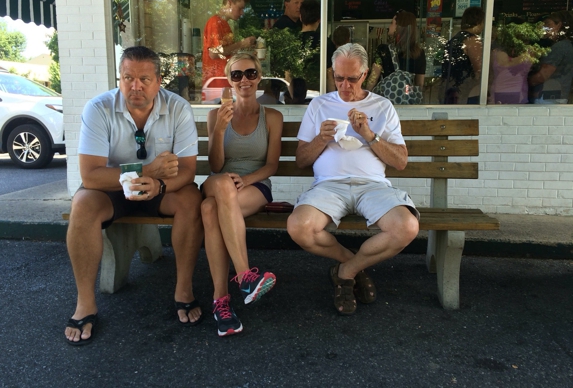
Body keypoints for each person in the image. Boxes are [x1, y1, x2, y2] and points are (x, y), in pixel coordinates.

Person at [64, 46, 204, 346]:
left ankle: (183, 289)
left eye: (144, 78)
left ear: (159, 81)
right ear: (119, 77)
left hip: (161, 190)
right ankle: (85, 303)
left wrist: (160, 184)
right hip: (113, 189)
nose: (135, 86)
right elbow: (90, 175)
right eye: (127, 77)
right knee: (82, 205)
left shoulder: (178, 108)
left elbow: (189, 170)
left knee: (192, 200)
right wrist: (149, 170)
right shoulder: (98, 108)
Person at [286, 43, 420, 316]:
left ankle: (345, 272)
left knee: (406, 227)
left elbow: (400, 161)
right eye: (338, 78)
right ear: (332, 74)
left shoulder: (382, 106)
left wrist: (370, 135)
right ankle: (353, 265)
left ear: (366, 74)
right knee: (299, 227)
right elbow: (301, 160)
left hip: (372, 186)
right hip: (328, 186)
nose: (344, 85)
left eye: (352, 78)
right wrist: (321, 139)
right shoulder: (319, 105)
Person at [202, 53, 283, 336]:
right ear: (230, 81)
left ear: (259, 77)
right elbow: (215, 166)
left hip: (254, 186)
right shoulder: (216, 115)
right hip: (219, 181)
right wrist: (220, 130)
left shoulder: (272, 117)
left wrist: (246, 180)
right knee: (223, 184)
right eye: (236, 75)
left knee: (210, 211)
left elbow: (272, 165)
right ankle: (246, 276)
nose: (244, 80)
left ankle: (220, 301)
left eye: (250, 73)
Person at [202, 0, 256, 87]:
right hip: (216, 84)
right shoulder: (215, 22)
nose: (242, 12)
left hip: (225, 80)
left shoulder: (225, 24)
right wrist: (241, 44)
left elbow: (227, 52)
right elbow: (213, 53)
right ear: (230, 3)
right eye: (240, 8)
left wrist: (245, 49)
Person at [365, 10, 426, 96]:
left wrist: (365, 95)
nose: (389, 27)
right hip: (409, 102)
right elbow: (419, 84)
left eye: (392, 23)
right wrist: (404, 94)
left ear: (398, 27)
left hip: (387, 102)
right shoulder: (419, 53)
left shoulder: (383, 50)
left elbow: (373, 78)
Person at [440, 6, 485, 104]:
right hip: (466, 91)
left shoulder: (455, 39)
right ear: (478, 22)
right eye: (482, 23)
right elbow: (479, 69)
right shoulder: (473, 40)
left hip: (449, 89)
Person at [528, 11, 573, 104]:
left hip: (548, 98)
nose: (543, 27)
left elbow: (542, 76)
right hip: (555, 96)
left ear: (558, 25)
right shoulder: (566, 45)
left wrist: (520, 81)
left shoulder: (560, 47)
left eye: (547, 24)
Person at [489, 22, 535, 104]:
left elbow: (491, 74)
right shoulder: (529, 53)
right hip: (518, 93)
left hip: (499, 91)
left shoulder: (496, 52)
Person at [298, 0, 336, 92]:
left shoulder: (292, 41)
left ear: (300, 17)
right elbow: (329, 74)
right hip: (319, 93)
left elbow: (288, 74)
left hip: (297, 96)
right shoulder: (325, 42)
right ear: (319, 19)